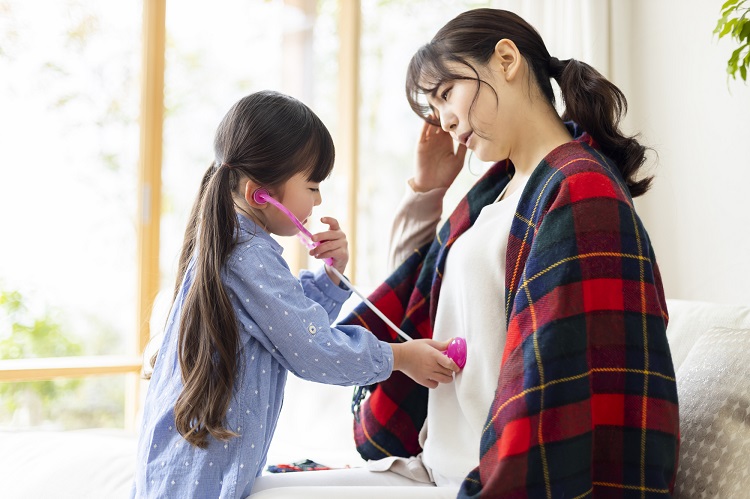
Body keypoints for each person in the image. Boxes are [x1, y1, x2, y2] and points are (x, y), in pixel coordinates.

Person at [250, 8, 680, 499]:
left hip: (484, 478)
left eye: (445, 94)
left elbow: (553, 383)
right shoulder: (495, 193)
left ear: (506, 59)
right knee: (248, 487)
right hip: (434, 465)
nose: (445, 120)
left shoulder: (576, 190)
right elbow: (418, 304)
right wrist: (428, 190)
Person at [131, 90, 459, 499]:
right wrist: (400, 357)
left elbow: (283, 323)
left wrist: (333, 280)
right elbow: (313, 348)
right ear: (259, 195)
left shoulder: (235, 247)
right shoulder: (248, 256)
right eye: (313, 184)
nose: (319, 199)